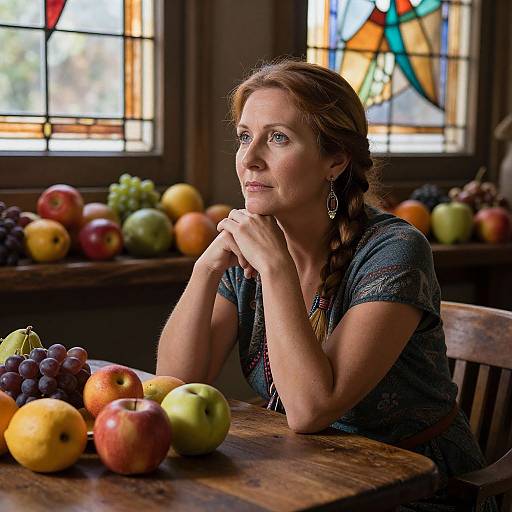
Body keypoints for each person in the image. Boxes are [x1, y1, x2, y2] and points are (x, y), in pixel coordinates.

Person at [157, 60, 496, 511]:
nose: (250, 157)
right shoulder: (250, 246)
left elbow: (310, 409)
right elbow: (175, 384)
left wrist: (277, 269)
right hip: (305, 475)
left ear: (335, 160)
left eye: (277, 137)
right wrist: (206, 269)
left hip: (417, 488)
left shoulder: (394, 250)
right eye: (244, 136)